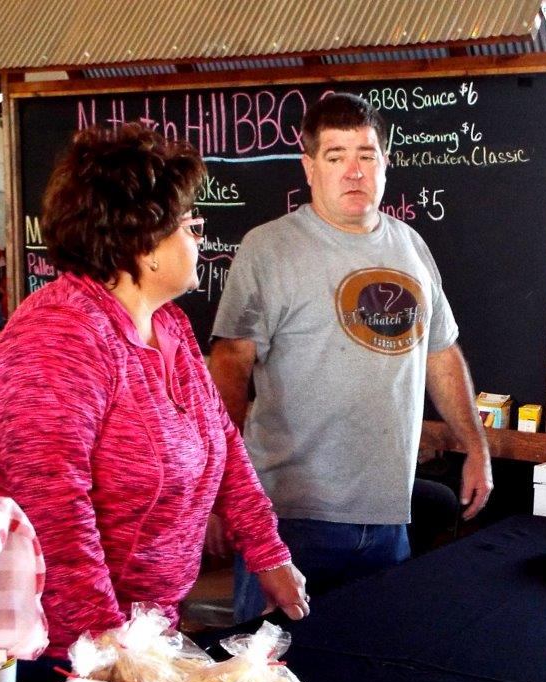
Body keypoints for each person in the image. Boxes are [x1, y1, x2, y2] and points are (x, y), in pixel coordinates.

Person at [0, 124, 308, 677]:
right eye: (190, 226)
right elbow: (54, 514)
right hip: (54, 650)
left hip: (144, 632)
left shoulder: (168, 325)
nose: (199, 240)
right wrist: (108, 648)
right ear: (145, 245)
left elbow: (222, 443)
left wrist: (267, 552)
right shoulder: (57, 337)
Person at [208, 93, 493, 622]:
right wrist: (221, 489)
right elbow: (229, 365)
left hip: (389, 515)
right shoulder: (269, 248)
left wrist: (475, 446)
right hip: (288, 518)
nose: (353, 171)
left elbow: (441, 352)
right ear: (309, 167)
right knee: (271, 666)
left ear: (385, 162)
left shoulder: (411, 245)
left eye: (366, 154)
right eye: (336, 155)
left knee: (375, 660)